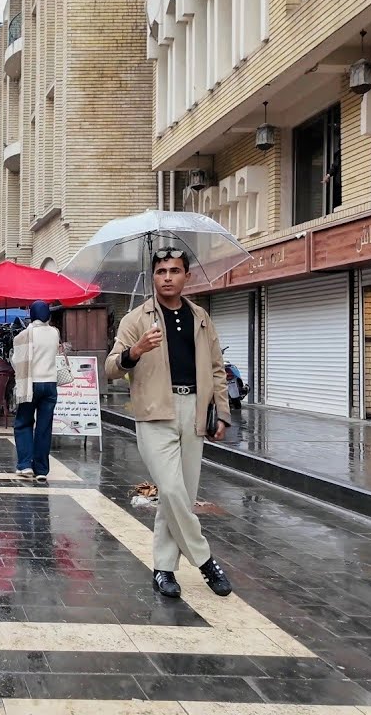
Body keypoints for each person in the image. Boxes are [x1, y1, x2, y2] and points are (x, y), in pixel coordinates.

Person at [106, 249, 233, 601]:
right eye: (161, 271)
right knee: (172, 490)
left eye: (174, 271)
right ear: (153, 277)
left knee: (181, 498)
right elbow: (111, 367)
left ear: (186, 276)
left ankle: (163, 569)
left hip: (194, 411)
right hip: (154, 412)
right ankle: (205, 560)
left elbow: (217, 369)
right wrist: (136, 350)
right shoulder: (136, 319)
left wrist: (222, 413)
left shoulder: (201, 317)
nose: (167, 277)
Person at [11, 300, 61, 482]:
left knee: (23, 423)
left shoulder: (24, 335)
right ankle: (41, 470)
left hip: (31, 384)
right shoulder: (55, 333)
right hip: (50, 385)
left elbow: (16, 362)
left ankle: (25, 464)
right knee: (44, 427)